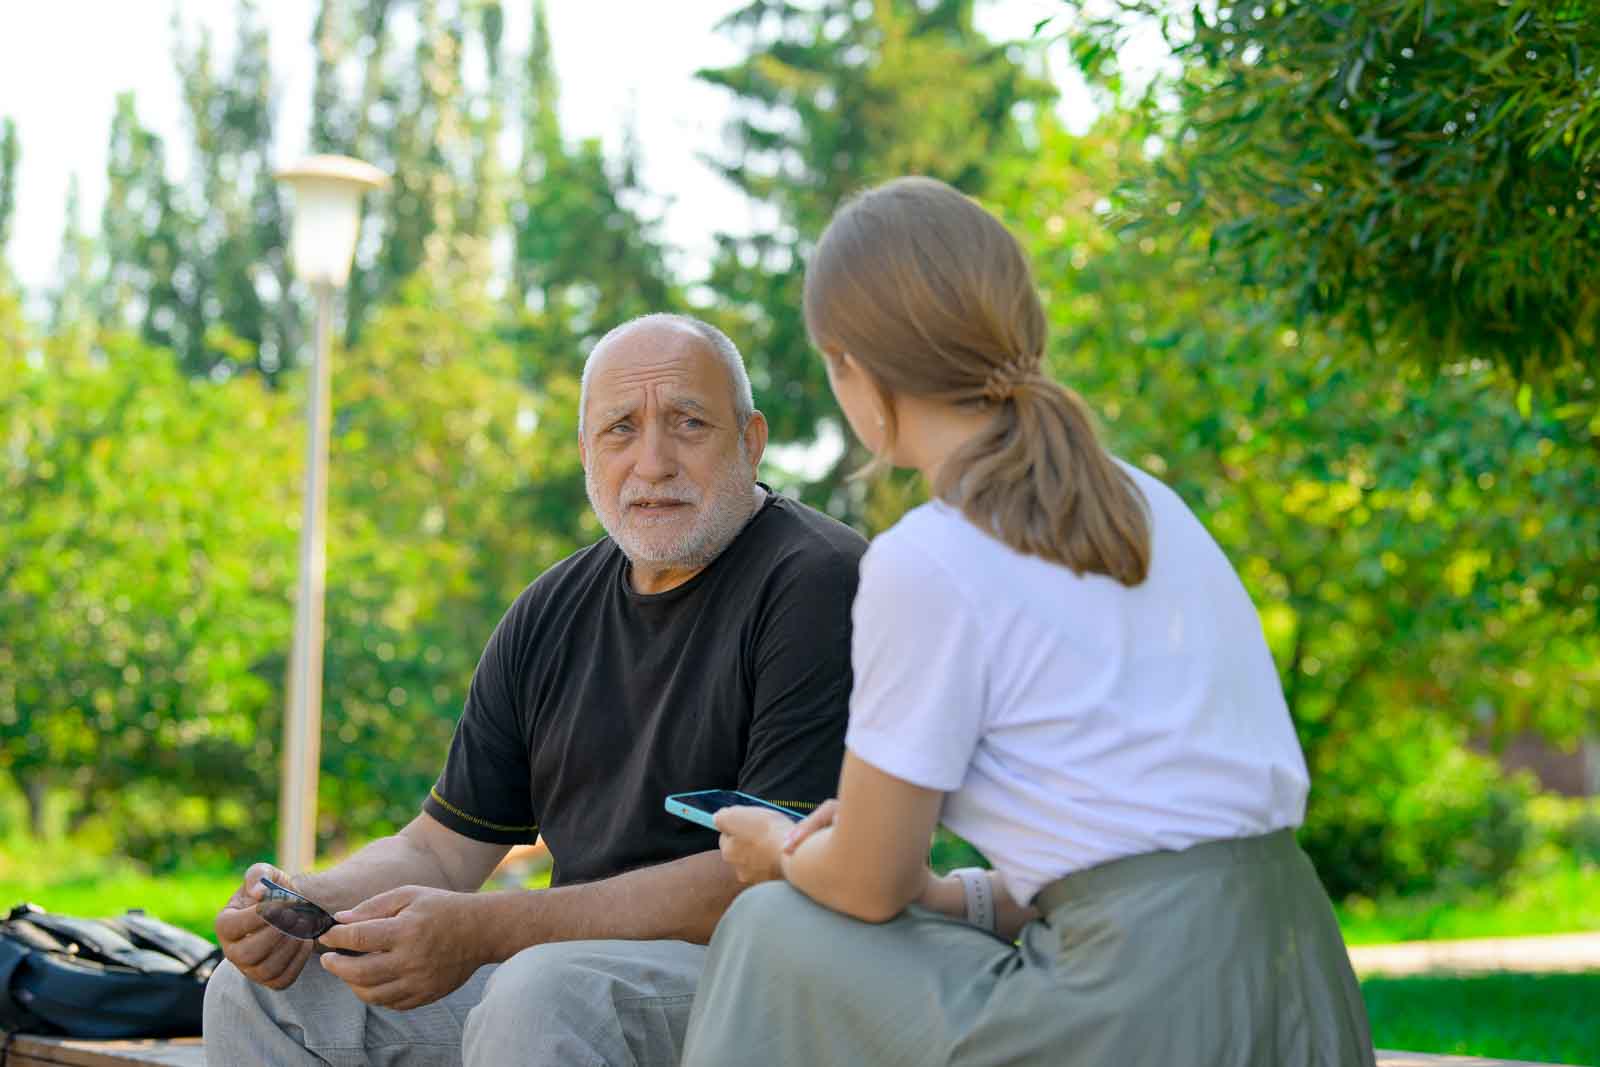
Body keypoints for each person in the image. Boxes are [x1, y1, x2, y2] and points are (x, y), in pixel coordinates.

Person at [681, 178, 1377, 1067]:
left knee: (774, 923)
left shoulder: (927, 559)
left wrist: (779, 848)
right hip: (1299, 981)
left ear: (854, 367)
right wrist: (953, 896)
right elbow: (1152, 847)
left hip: (1137, 1008)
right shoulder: (1145, 504)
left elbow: (867, 882)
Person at [203, 313, 867, 1067]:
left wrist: (488, 929)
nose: (652, 461)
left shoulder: (819, 582)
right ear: (586, 453)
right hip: (568, 967)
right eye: (621, 428)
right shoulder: (550, 610)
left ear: (750, 441)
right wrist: (307, 899)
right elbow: (443, 849)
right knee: (260, 992)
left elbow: (766, 875)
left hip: (767, 979)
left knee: (540, 989)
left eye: (688, 422)